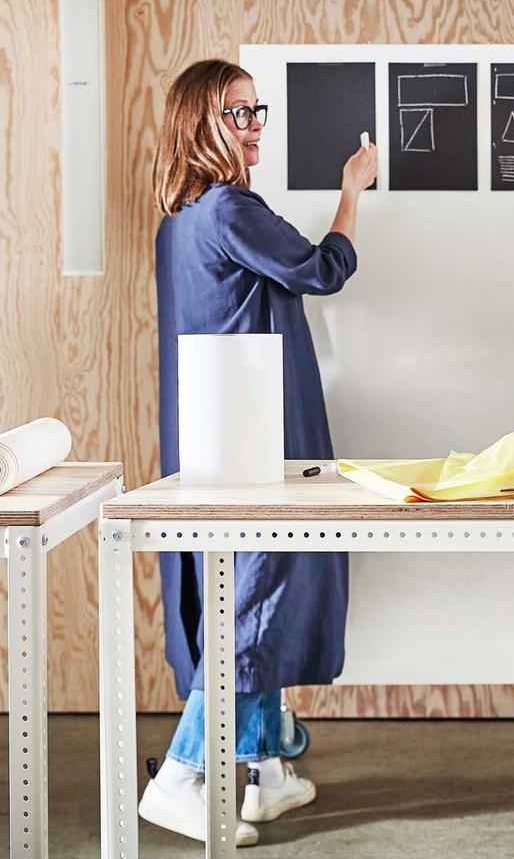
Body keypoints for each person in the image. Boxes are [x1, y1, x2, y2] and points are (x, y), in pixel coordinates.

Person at [140, 59, 378, 846]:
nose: (254, 126)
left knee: (251, 592)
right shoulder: (230, 210)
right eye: (238, 114)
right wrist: (354, 189)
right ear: (201, 124)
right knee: (257, 599)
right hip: (254, 438)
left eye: (256, 111)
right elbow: (323, 268)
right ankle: (181, 776)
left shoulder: (181, 218)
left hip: (218, 435)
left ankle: (266, 774)